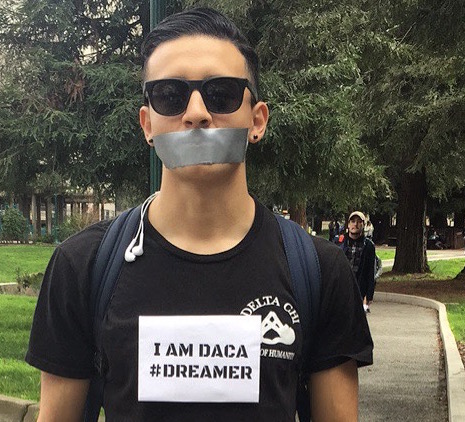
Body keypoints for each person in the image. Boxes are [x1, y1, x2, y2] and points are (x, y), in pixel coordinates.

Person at [25, 8, 372, 421]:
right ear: (148, 124)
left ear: (257, 120)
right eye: (169, 95)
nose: (196, 113)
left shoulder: (320, 271)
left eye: (221, 93)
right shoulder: (82, 267)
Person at [341, 211, 376, 313]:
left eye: (359, 222)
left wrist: (368, 296)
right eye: (352, 221)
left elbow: (370, 272)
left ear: (363, 225)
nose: (355, 224)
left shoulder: (368, 246)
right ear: (348, 224)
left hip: (358, 289)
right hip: (341, 288)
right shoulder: (340, 242)